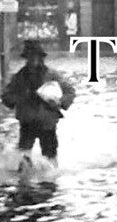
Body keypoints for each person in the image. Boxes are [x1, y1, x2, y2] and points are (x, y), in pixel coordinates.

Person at [2, 40, 76, 168]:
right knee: (23, 160)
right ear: (26, 58)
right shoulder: (19, 77)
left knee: (51, 160)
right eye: (30, 56)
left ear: (41, 58)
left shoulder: (52, 75)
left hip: (47, 123)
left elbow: (69, 91)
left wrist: (60, 102)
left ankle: (49, 182)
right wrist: (17, 98)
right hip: (27, 123)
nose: (33, 60)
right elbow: (6, 97)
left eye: (36, 56)